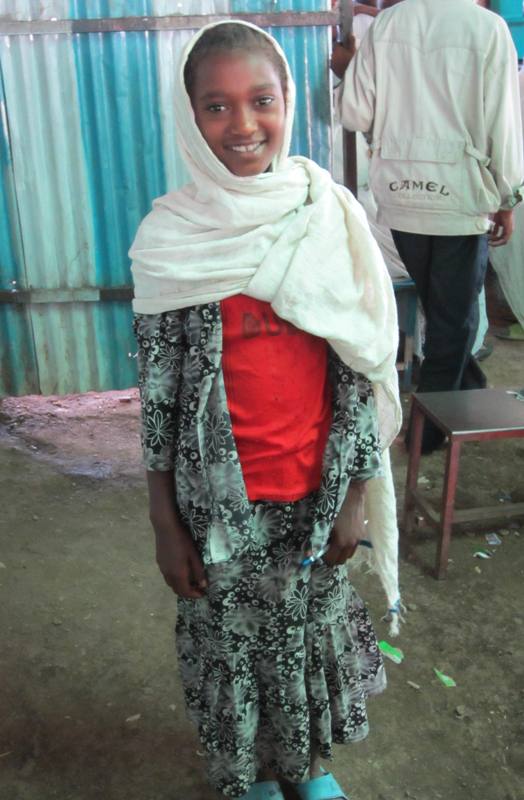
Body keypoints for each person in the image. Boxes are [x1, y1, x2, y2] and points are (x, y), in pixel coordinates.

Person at [130, 20, 402, 800]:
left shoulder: (324, 215)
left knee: (304, 635)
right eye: (216, 107)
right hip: (216, 507)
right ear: (190, 117)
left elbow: (360, 365)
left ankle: (309, 771)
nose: (243, 125)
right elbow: (158, 397)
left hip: (314, 499)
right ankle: (247, 778)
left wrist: (354, 493)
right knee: (232, 645)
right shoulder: (171, 240)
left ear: (289, 103)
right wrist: (163, 521)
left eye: (262, 101)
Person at [332, 0, 524, 452]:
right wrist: (507, 196)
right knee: (452, 322)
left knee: (445, 310)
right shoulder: (488, 28)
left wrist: (350, 68)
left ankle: (468, 392)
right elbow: (504, 121)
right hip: (460, 197)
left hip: (400, 195)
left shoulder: (389, 24)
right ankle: (425, 435)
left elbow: (355, 114)